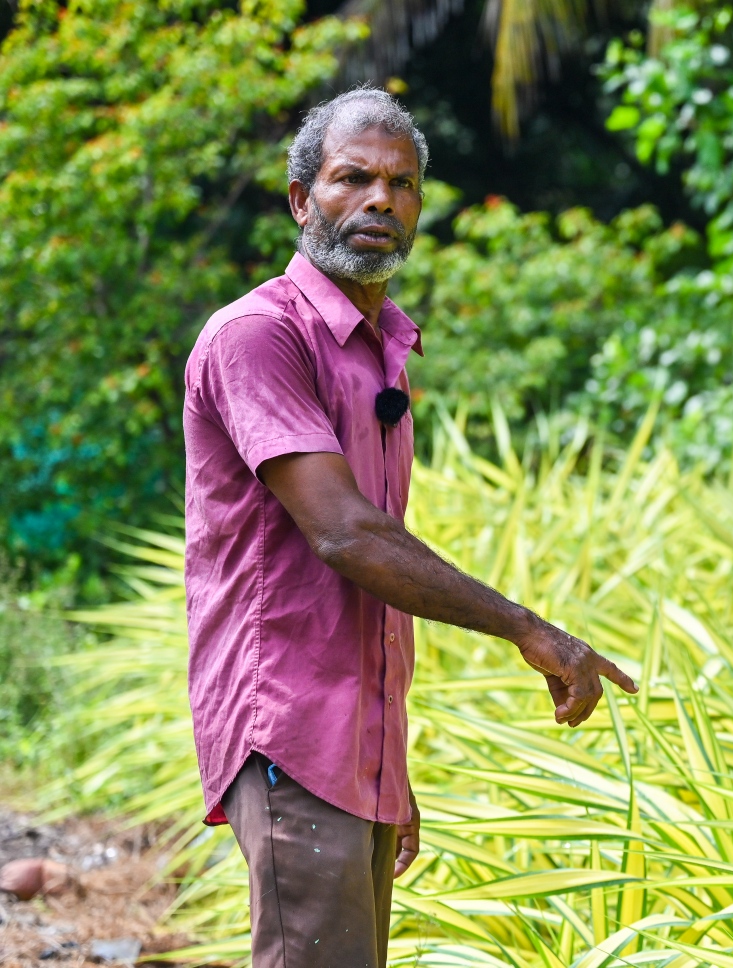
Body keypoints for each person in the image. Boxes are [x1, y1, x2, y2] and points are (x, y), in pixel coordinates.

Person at [181, 88, 637, 968]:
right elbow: (347, 535)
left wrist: (387, 773)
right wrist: (529, 628)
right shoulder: (258, 337)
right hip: (287, 728)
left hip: (351, 743)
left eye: (401, 184)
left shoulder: (381, 347)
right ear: (301, 199)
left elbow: (369, 594)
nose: (380, 201)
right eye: (352, 178)